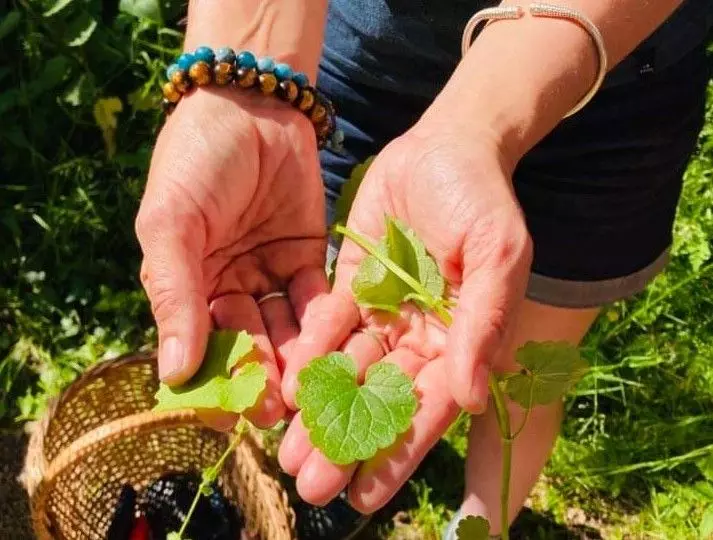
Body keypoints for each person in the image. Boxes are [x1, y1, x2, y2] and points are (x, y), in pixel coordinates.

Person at [135, 0, 713, 535]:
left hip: (620, 65)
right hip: (370, 64)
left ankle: (482, 521)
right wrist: (243, 90)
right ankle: (355, 486)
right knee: (343, 309)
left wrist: (479, 124)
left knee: (521, 377)